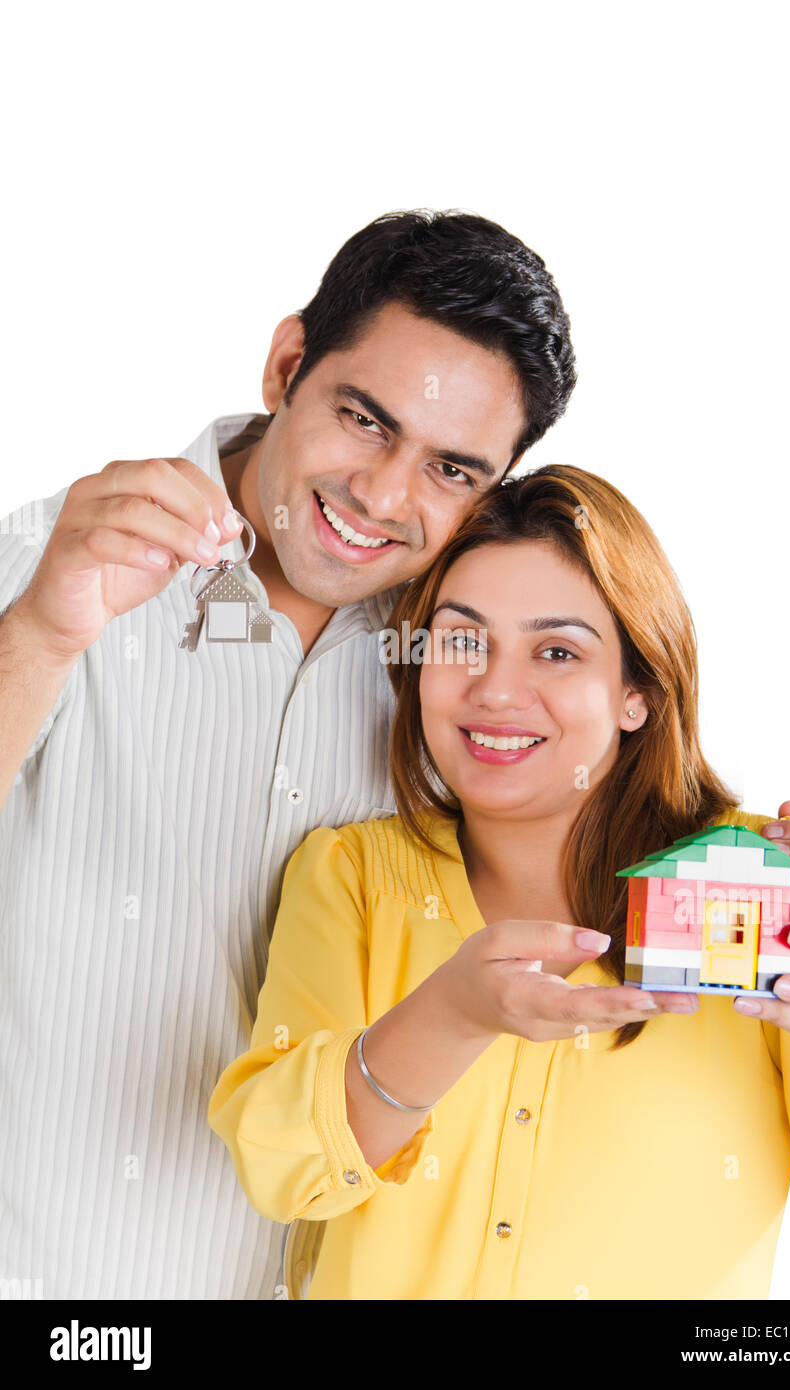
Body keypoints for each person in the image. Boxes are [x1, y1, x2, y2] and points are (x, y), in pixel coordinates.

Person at [0, 210, 577, 1298]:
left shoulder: (464, 670)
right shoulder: (47, 565)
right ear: (285, 365)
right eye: (365, 419)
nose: (383, 495)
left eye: (450, 470)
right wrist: (38, 636)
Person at [209, 464, 790, 1300]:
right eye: (461, 640)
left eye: (556, 651)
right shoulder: (353, 877)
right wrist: (449, 1018)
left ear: (638, 691)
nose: (497, 689)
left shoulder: (761, 885)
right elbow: (281, 1168)